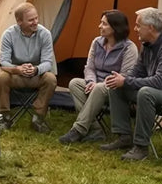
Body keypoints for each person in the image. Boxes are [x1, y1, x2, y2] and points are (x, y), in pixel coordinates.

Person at [101, 7, 162, 161]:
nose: (135, 29)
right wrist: (121, 80)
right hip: (159, 94)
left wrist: (126, 81)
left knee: (145, 92)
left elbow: (159, 82)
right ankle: (124, 136)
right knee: (117, 87)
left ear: (151, 28)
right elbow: (136, 72)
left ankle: (141, 147)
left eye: (138, 26)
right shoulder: (147, 45)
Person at [58, 9, 139, 145]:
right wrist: (91, 81)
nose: (100, 26)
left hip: (115, 88)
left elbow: (126, 75)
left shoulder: (129, 48)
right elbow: (89, 67)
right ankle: (95, 129)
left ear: (115, 27)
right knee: (75, 83)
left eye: (104, 24)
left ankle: (78, 129)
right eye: (101, 23)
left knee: (99, 88)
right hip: (96, 84)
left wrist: (101, 84)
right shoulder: (97, 42)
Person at [0, 2, 57, 133]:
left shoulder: (45, 34)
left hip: (36, 75)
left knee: (51, 79)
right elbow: (3, 62)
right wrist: (17, 69)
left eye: (36, 18)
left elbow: (47, 62)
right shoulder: (8, 34)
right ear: (19, 21)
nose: (35, 22)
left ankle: (38, 117)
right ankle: (5, 117)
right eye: (30, 20)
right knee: (1, 77)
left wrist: (36, 69)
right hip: (16, 75)